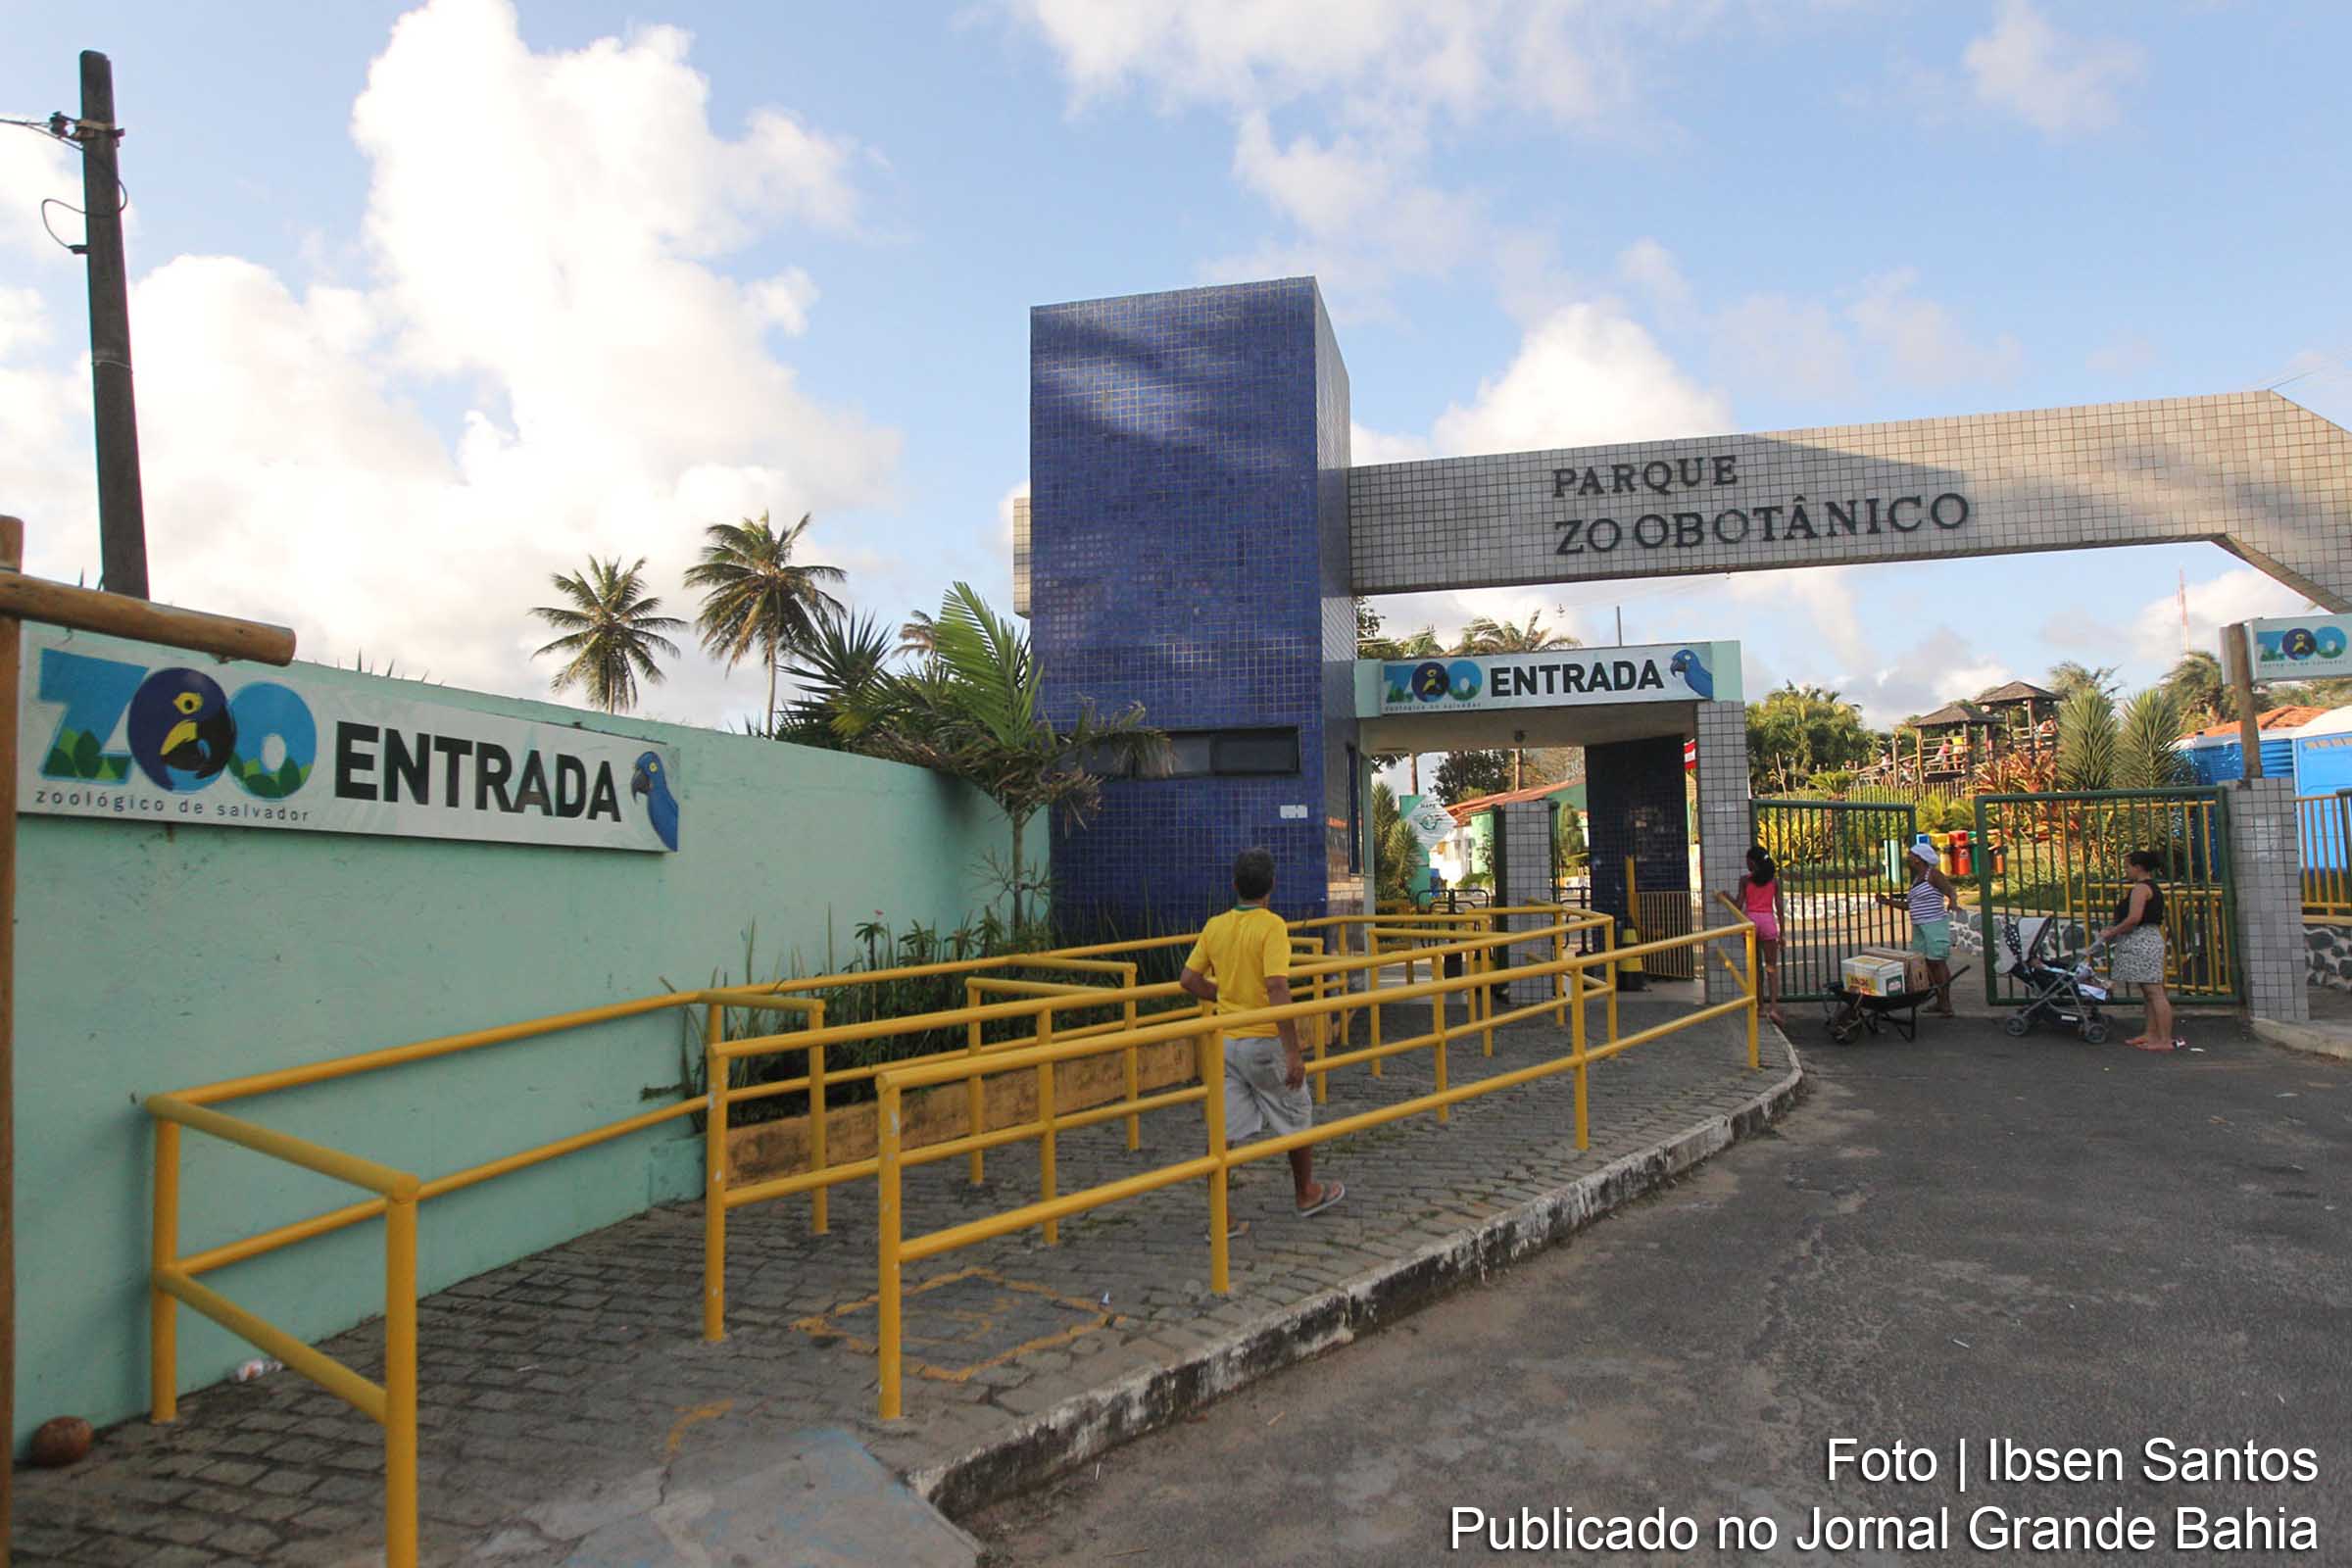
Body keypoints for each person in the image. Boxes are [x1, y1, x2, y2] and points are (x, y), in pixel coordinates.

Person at [1181, 848, 1345, 1218]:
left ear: (1234, 885)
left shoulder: (1215, 926)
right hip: (1262, 1041)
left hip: (1226, 1041)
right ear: (1272, 886)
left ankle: (1220, 1217)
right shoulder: (1271, 926)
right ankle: (1306, 1192)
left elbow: (1188, 979)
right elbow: (1276, 987)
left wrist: (1221, 995)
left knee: (1224, 1131)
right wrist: (1292, 1051)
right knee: (1297, 1112)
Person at [2098, 849, 2178, 1053]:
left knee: (2155, 991)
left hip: (2142, 940)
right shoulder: (2148, 887)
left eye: (2127, 867)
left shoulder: (2141, 889)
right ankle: (2151, 1033)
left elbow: (2134, 918)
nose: (2126, 871)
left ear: (2138, 867)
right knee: (2148, 991)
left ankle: (2165, 1039)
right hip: (2147, 939)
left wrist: (2112, 932)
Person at [1878, 842, 1958, 1016]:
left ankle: (1946, 1004)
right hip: (1920, 926)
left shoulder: (1933, 875)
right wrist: (1887, 901)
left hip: (1934, 924)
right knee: (1927, 964)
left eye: (1911, 855)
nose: (1908, 857)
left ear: (1919, 859)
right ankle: (1939, 1001)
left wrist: (1953, 901)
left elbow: (1950, 890)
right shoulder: (1917, 879)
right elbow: (1909, 906)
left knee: (1938, 962)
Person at [1735, 847, 1788, 1026]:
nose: (1745, 863)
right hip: (1767, 922)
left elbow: (1738, 904)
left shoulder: (1745, 881)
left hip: (1750, 923)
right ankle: (1773, 1007)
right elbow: (1779, 908)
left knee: (1754, 967)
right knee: (1771, 968)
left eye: (1747, 860)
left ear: (1753, 862)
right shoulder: (1774, 881)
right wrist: (1782, 933)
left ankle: (1760, 1007)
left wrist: (1725, 896)